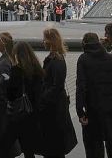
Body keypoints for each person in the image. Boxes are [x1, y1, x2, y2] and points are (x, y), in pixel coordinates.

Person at [76, 32, 112, 158]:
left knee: (94, 146)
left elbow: (81, 87)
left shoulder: (83, 59)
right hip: (110, 108)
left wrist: (80, 111)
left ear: (84, 43)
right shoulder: (110, 58)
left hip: (92, 108)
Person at [37, 28, 77, 158]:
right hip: (53, 106)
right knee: (53, 144)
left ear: (51, 41)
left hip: (53, 108)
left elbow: (57, 86)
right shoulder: (55, 58)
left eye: (45, 38)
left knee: (54, 144)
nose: (43, 41)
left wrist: (43, 98)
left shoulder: (56, 60)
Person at [4, 41, 43, 158]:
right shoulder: (37, 68)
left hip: (19, 115)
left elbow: (11, 95)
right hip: (32, 114)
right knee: (28, 150)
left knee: (4, 145)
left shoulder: (16, 70)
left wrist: (8, 81)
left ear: (17, 54)